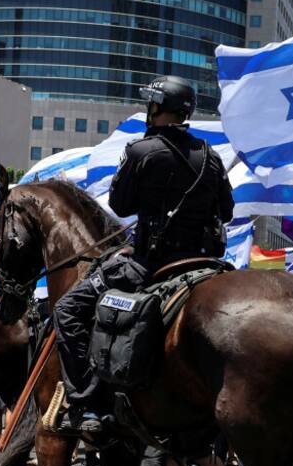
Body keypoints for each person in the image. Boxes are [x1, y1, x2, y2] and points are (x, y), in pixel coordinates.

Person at [53, 76, 233, 434]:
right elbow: (226, 211)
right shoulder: (211, 156)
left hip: (150, 264)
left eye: (151, 105)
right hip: (205, 263)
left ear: (157, 109)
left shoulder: (141, 150)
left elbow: (120, 203)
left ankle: (88, 405)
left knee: (67, 310)